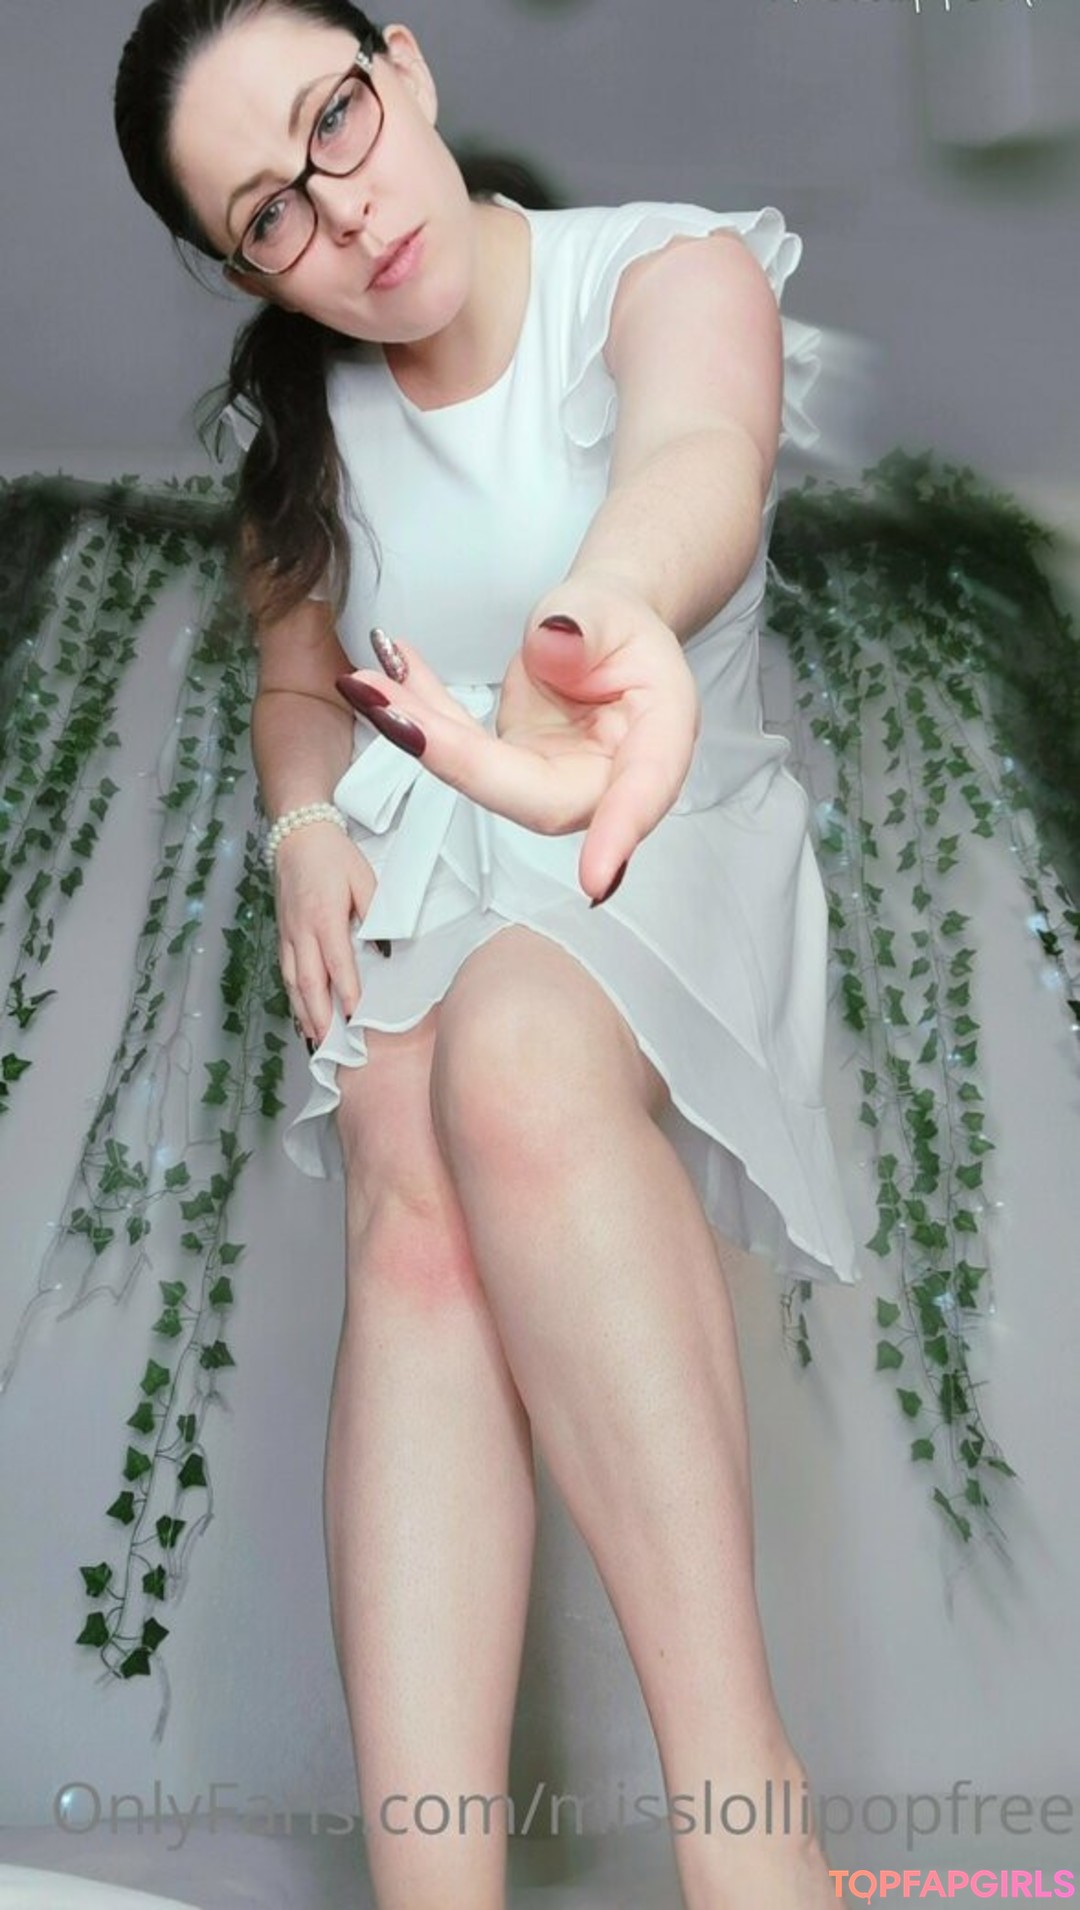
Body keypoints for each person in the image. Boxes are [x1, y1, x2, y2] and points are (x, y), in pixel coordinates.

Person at [114, 3, 863, 1905]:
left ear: (407, 66)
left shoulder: (669, 270)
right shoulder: (300, 426)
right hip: (439, 843)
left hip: (654, 808)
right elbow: (302, 686)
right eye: (270, 213)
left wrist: (600, 617)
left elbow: (695, 459)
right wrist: (304, 827)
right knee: (399, 1130)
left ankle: (743, 1802)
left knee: (515, 1055)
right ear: (242, 267)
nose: (344, 213)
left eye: (338, 121)